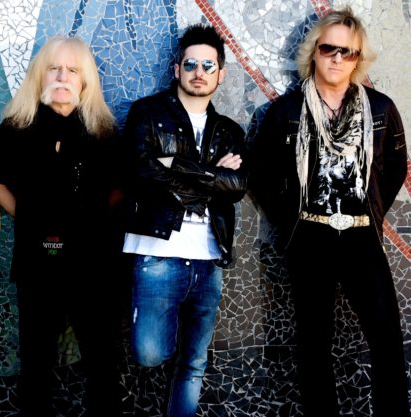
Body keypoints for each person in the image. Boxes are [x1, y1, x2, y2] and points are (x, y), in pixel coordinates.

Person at [250, 6, 410, 417]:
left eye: (348, 52)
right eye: (329, 49)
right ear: (314, 52)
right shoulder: (287, 112)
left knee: (387, 339)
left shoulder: (380, 110)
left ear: (358, 60)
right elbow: (262, 175)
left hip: (361, 235)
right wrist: (292, 223)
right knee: (314, 345)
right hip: (310, 237)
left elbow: (395, 168)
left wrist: (372, 213)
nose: (338, 58)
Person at [0, 36, 123, 417]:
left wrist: (88, 225)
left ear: (85, 80)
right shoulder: (17, 127)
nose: (62, 77)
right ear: (40, 75)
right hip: (37, 262)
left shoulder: (103, 131)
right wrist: (31, 219)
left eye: (72, 70)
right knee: (36, 359)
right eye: (54, 69)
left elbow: (118, 190)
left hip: (92, 264)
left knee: (101, 360)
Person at [122, 24, 246, 417]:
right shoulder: (147, 113)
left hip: (209, 258)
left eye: (208, 65)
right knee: (149, 353)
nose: (199, 72)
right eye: (190, 64)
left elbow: (237, 185)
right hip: (157, 252)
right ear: (177, 69)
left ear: (220, 74)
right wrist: (212, 175)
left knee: (194, 363)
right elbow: (140, 173)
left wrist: (175, 164)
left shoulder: (229, 131)